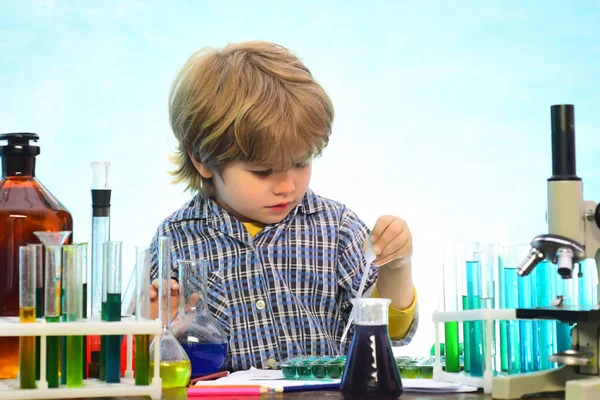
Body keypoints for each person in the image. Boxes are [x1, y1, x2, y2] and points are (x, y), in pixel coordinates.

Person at [149, 40, 418, 371]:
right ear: (202, 160)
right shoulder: (175, 241)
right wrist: (155, 326)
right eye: (263, 172)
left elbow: (389, 337)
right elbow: (150, 354)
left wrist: (397, 267)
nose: (288, 187)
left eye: (302, 163)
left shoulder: (337, 228)